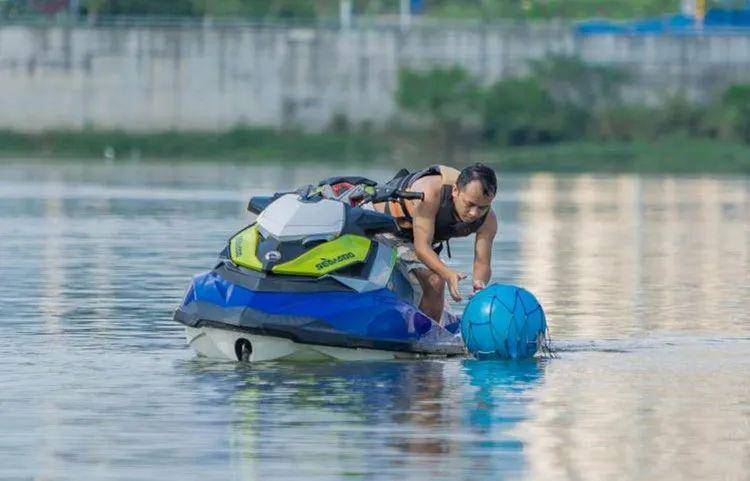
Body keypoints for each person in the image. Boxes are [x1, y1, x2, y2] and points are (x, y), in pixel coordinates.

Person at [375, 163, 498, 323]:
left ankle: (428, 332)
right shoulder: (430, 192)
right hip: (385, 228)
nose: (475, 213)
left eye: (482, 207)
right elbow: (422, 247)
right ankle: (425, 339)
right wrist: (447, 273)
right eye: (469, 204)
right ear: (455, 191)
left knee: (437, 284)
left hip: (416, 239)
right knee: (435, 281)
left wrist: (479, 285)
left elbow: (482, 262)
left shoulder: (489, 220)